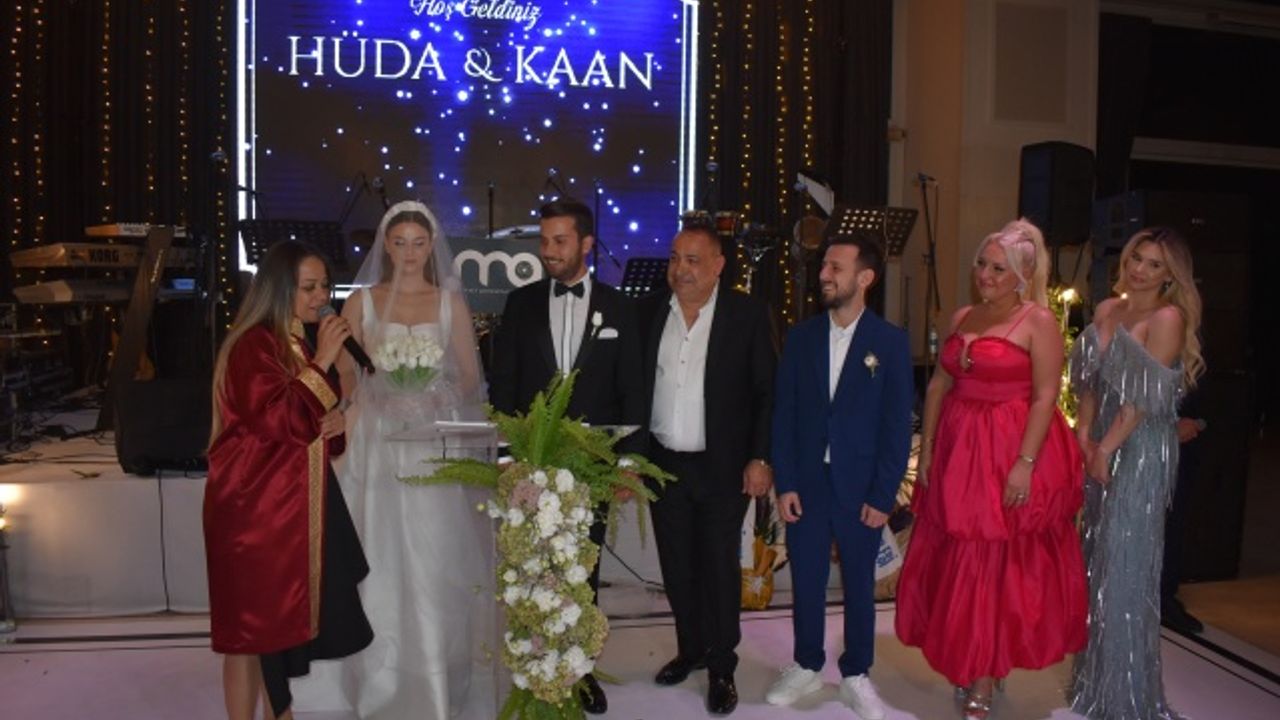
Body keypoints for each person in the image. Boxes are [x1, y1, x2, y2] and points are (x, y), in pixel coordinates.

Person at [296, 201, 497, 719]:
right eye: (400, 242)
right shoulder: (361, 300)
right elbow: (345, 373)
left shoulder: (449, 303)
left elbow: (469, 375)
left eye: (418, 243)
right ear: (386, 245)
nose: (409, 253)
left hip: (430, 439)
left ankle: (432, 675)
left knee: (434, 556)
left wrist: (435, 395)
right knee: (378, 553)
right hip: (377, 438)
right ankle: (375, 679)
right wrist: (362, 398)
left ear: (431, 247)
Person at [894, 219, 1087, 719]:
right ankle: (972, 654)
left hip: (1009, 448)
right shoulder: (962, 315)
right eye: (982, 264)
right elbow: (939, 384)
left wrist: (1024, 464)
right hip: (960, 449)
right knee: (960, 556)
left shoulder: (1037, 321)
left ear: (1023, 274)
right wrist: (928, 448)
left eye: (999, 268)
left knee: (996, 561)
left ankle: (984, 670)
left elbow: (1045, 395)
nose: (985, 274)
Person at [488, 197, 647, 714]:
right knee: (531, 566)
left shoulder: (620, 307)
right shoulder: (521, 304)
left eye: (560, 241)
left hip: (592, 465)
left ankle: (579, 671)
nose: (549, 251)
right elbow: (504, 384)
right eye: (544, 241)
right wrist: (506, 456)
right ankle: (535, 665)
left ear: (586, 244)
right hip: (532, 461)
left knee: (582, 570)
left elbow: (633, 389)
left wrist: (628, 463)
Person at [204, 240, 373, 720]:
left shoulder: (298, 342)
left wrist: (334, 424)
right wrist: (325, 360)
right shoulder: (253, 345)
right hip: (252, 512)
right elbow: (281, 419)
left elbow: (310, 426)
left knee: (270, 634)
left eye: (325, 286)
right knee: (247, 637)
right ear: (280, 290)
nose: (322, 297)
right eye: (309, 287)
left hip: (289, 509)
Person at [765, 226, 913, 720]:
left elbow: (896, 427)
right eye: (824, 266)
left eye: (835, 268)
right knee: (807, 578)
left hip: (862, 487)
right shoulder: (801, 337)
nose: (823, 275)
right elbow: (784, 415)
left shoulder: (889, 343)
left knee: (859, 585)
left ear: (865, 278)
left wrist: (884, 494)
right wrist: (786, 482)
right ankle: (807, 664)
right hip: (807, 484)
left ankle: (855, 674)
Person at [638, 221, 777, 716]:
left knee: (718, 567)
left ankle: (722, 666)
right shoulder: (649, 311)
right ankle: (691, 649)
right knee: (677, 566)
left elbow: (766, 392)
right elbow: (632, 388)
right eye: (676, 258)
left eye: (693, 260)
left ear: (719, 266)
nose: (681, 269)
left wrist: (760, 457)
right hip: (662, 464)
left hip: (723, 466)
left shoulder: (747, 315)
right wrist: (632, 459)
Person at [1070, 227, 1204, 720]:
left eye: (1154, 264)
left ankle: (1126, 699)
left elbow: (1142, 401)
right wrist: (1085, 435)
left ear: (1171, 275)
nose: (1140, 270)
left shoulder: (1167, 318)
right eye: (1136, 258)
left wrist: (1104, 448)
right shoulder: (1108, 309)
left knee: (1124, 567)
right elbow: (1089, 381)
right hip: (1102, 440)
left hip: (1140, 446)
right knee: (1096, 565)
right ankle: (1094, 686)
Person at [1162, 388, 1206, 635]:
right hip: (1144, 434)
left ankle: (1164, 593)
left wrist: (1198, 421)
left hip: (1184, 442)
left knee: (1175, 519)